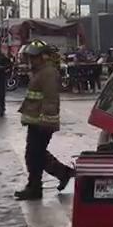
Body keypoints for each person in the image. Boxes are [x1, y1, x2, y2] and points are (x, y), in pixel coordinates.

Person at [14, 39, 75, 201]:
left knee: (34, 155)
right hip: (36, 122)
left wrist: (46, 121)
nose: (31, 60)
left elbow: (50, 100)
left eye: (34, 57)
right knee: (36, 154)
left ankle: (35, 187)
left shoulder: (47, 73)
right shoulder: (39, 71)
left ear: (44, 57)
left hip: (42, 123)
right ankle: (61, 174)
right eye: (30, 57)